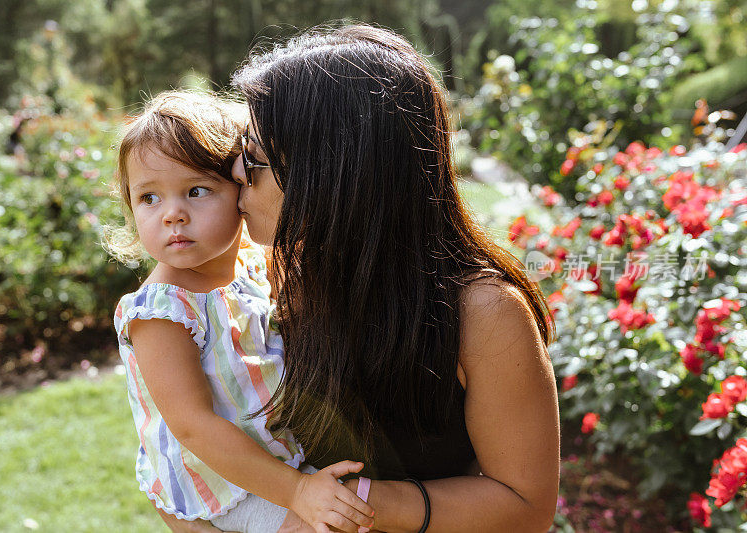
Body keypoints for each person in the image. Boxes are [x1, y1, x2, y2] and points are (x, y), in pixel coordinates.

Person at [230, 23, 561, 532]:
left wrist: (350, 504)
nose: (234, 173)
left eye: (253, 158)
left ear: (335, 175)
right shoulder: (268, 280)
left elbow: (525, 505)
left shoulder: (482, 313)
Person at [107, 90, 375, 533]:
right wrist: (297, 492)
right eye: (148, 198)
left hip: (270, 458)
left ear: (243, 189)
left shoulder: (251, 263)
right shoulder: (162, 311)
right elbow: (193, 426)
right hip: (221, 483)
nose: (172, 214)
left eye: (196, 191)